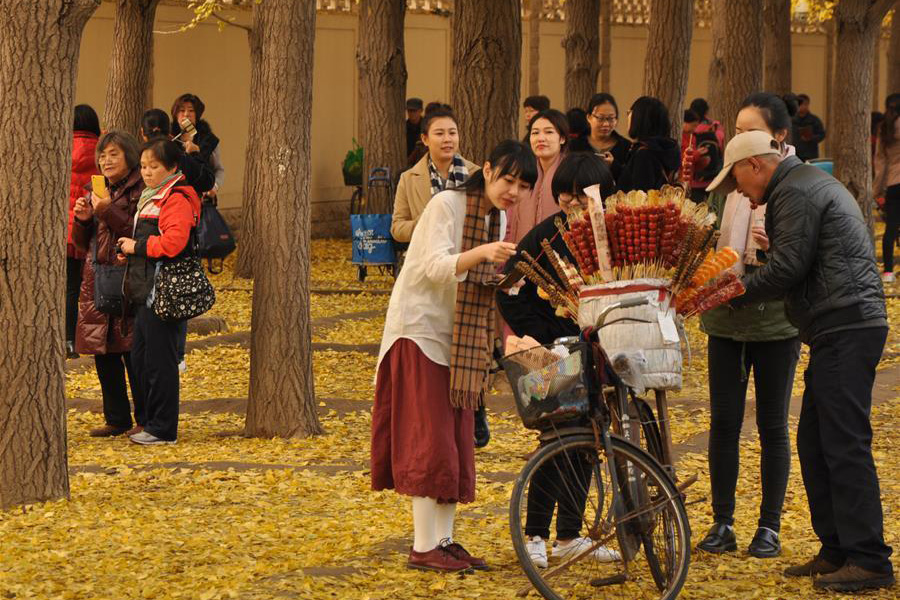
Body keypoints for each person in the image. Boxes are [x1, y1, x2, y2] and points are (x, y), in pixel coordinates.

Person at [707, 130, 893, 593]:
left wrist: (732, 293)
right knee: (814, 441)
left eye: (737, 183)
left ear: (754, 165)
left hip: (846, 323)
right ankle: (837, 548)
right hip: (837, 323)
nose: (741, 195)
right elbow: (800, 258)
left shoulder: (794, 191)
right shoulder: (799, 185)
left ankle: (869, 558)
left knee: (844, 443)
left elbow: (788, 267)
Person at [371, 140, 537, 573]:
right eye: (508, 180)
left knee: (456, 441)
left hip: (459, 342)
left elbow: (476, 278)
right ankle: (424, 546)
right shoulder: (447, 204)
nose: (514, 192)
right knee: (431, 441)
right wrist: (483, 254)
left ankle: (444, 541)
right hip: (420, 332)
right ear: (487, 170)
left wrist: (503, 278)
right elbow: (432, 267)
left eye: (523, 186)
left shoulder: (496, 216)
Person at [497, 152, 621, 568]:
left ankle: (570, 534)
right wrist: (545, 335)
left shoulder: (613, 235)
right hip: (555, 356)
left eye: (582, 196)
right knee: (556, 440)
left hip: (601, 356)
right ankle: (536, 534)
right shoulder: (544, 236)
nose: (572, 203)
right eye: (565, 195)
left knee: (589, 443)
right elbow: (509, 289)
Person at [696, 93, 801, 559]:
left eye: (750, 131)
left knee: (773, 424)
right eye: (736, 130)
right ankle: (722, 522)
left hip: (777, 323)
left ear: (777, 137)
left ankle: (769, 526)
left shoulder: (797, 186)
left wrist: (776, 247)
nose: (739, 138)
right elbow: (706, 236)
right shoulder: (729, 184)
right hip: (725, 319)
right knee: (723, 422)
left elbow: (803, 258)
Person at [117, 139, 203, 446]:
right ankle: (149, 421)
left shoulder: (176, 198)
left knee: (159, 361)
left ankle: (163, 429)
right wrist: (131, 253)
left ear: (172, 167)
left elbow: (173, 244)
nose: (147, 172)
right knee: (141, 358)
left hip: (163, 291)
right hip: (145, 289)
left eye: (154, 166)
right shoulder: (152, 195)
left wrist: (137, 247)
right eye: (143, 166)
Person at [72, 131, 145, 437]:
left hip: (128, 278)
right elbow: (81, 245)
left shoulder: (141, 189)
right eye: (102, 156)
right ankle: (116, 419)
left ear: (130, 155)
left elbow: (137, 230)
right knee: (104, 351)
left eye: (114, 154)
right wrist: (83, 219)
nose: (106, 161)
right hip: (97, 278)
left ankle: (146, 418)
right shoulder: (97, 189)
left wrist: (105, 209)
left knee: (133, 351)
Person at [390, 108, 477, 243]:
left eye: (452, 133)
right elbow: (397, 229)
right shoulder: (408, 179)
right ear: (425, 139)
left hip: (468, 252)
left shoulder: (476, 174)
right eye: (439, 133)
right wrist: (426, 221)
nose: (447, 139)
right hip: (426, 253)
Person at [67, 104, 101, 359]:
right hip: (90, 230)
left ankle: (67, 340)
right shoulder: (102, 152)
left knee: (68, 288)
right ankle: (87, 339)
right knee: (88, 287)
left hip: (66, 231)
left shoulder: (61, 147)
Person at [505, 109, 569, 244]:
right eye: (535, 133)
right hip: (521, 249)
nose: (541, 138)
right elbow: (510, 219)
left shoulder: (571, 171)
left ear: (562, 138)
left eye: (549, 132)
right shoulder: (522, 170)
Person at [617, 96, 680, 192]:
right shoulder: (669, 148)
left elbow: (640, 194)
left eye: (629, 113)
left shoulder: (644, 154)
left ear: (639, 118)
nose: (628, 116)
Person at [170, 93, 224, 197]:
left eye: (191, 110)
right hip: (174, 196)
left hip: (201, 196)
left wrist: (214, 186)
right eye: (182, 110)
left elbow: (218, 169)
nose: (186, 114)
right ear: (175, 114)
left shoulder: (208, 140)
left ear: (197, 115)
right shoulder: (169, 138)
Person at [874, 93, 900, 283]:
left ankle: (888, 272)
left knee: (890, 228)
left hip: (893, 183)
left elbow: (881, 162)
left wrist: (876, 190)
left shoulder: (884, 127)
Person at [684, 98, 725, 203]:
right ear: (706, 111)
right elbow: (721, 147)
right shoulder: (716, 126)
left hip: (695, 180)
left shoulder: (690, 130)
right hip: (714, 178)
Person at [585, 93, 631, 183]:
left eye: (611, 118)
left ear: (616, 119)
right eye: (600, 118)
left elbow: (629, 181)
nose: (606, 124)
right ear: (589, 117)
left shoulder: (626, 147)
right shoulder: (576, 145)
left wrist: (613, 166)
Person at [791, 94, 826, 162]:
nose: (801, 106)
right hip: (795, 154)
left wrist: (811, 138)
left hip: (810, 155)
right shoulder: (791, 120)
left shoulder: (814, 120)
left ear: (807, 105)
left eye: (804, 104)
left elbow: (822, 134)